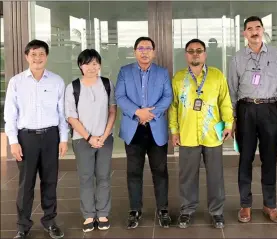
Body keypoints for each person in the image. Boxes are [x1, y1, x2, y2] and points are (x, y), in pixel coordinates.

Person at [4, 39, 68, 239]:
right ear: (26, 57)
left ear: (46, 56)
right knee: (26, 184)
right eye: (33, 54)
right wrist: (13, 141)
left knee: (50, 181)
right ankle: (23, 225)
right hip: (26, 138)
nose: (37, 58)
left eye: (41, 54)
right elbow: (10, 114)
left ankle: (50, 221)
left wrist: (63, 139)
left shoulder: (57, 81)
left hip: (51, 136)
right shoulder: (16, 82)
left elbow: (62, 113)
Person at [227, 16, 277, 223]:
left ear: (263, 30)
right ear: (244, 33)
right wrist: (234, 117)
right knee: (246, 159)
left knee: (269, 159)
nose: (254, 31)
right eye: (250, 28)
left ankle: (270, 205)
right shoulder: (236, 58)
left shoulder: (276, 55)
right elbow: (231, 90)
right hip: (246, 110)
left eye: (257, 27)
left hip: (270, 110)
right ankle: (245, 205)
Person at [169, 38, 233, 229]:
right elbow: (173, 107)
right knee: (187, 176)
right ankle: (187, 210)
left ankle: (217, 212)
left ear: (205, 54)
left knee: (215, 176)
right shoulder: (179, 78)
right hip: (187, 134)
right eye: (191, 51)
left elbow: (225, 101)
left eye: (199, 50)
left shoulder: (216, 75)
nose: (195, 54)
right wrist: (174, 130)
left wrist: (229, 124)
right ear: (186, 55)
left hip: (212, 134)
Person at [115, 36, 173, 229]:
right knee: (133, 172)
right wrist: (137, 112)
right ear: (134, 51)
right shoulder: (125, 72)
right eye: (141, 48)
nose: (144, 52)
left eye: (148, 48)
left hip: (156, 128)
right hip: (133, 129)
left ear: (154, 52)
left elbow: (168, 96)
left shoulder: (162, 72)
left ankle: (163, 209)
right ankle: (135, 210)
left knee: (160, 171)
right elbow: (120, 96)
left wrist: (151, 114)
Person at [65, 49, 117, 232]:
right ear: (80, 65)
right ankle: (88, 215)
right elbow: (71, 117)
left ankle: (102, 213)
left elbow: (112, 111)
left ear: (100, 65)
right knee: (86, 177)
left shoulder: (107, 84)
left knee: (103, 177)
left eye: (95, 63)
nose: (91, 67)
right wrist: (89, 137)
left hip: (105, 140)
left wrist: (103, 135)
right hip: (82, 140)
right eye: (87, 63)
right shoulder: (72, 87)